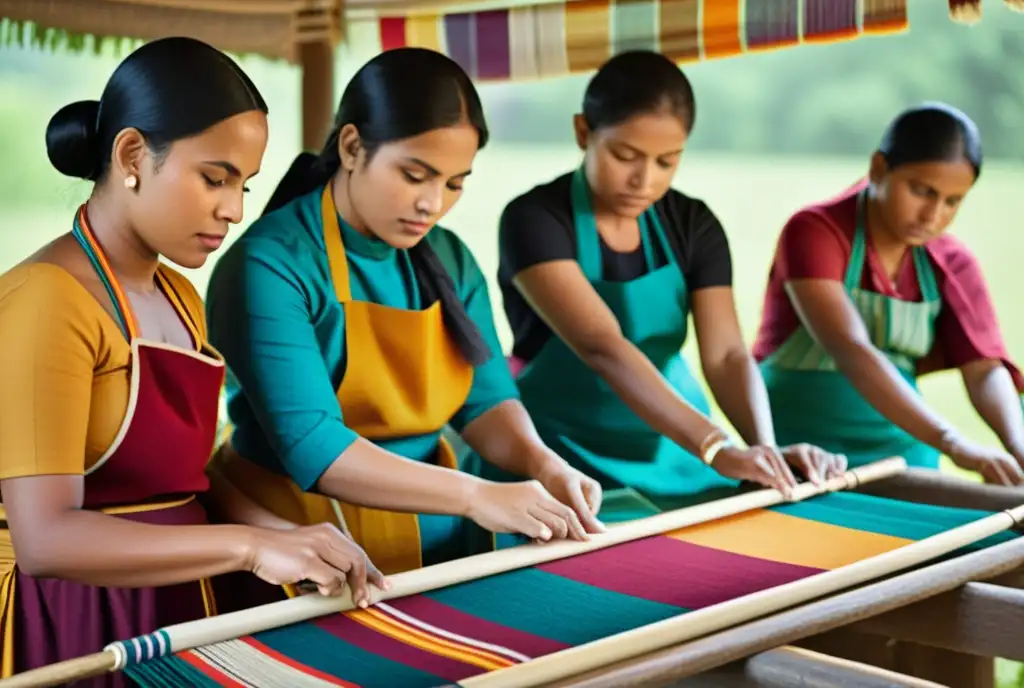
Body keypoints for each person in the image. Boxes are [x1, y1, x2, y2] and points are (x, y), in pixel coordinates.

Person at [0, 37, 383, 684]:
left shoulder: (180, 298)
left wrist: (295, 537)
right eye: (214, 178)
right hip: (75, 625)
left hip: (181, 608)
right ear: (131, 156)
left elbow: (190, 477)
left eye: (244, 185)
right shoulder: (45, 301)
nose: (234, 210)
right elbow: (47, 540)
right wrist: (252, 547)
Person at [205, 47, 604, 591]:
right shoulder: (269, 265)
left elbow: (484, 403)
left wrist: (543, 464)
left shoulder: (452, 259)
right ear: (352, 147)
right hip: (303, 549)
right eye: (415, 175)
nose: (432, 204)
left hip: (436, 541)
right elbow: (316, 448)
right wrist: (476, 495)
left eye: (455, 183)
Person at [488, 50, 846, 519]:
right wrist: (717, 448)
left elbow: (726, 355)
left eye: (667, 161)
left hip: (676, 449)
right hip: (557, 455)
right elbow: (602, 347)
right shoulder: (534, 219)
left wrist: (765, 450)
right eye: (625, 156)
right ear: (583, 132)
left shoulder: (694, 225)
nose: (644, 180)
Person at [754, 101, 1024, 485]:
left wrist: (1017, 445)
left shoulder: (952, 262)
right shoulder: (814, 231)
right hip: (799, 451)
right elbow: (850, 347)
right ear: (879, 168)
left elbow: (984, 369)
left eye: (952, 201)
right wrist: (954, 443)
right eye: (921, 191)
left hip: (903, 450)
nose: (933, 215)